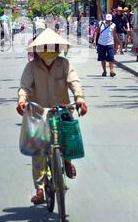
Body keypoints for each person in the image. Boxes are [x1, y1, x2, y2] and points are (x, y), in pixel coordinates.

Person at [17, 28, 87, 205]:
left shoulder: (64, 64)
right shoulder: (31, 67)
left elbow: (74, 81)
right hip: (39, 113)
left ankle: (68, 161)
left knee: (69, 139)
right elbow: (24, 86)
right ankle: (39, 189)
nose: (49, 49)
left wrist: (79, 99)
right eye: (45, 46)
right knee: (38, 150)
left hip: (62, 110)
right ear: (39, 49)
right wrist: (22, 100)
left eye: (52, 46)